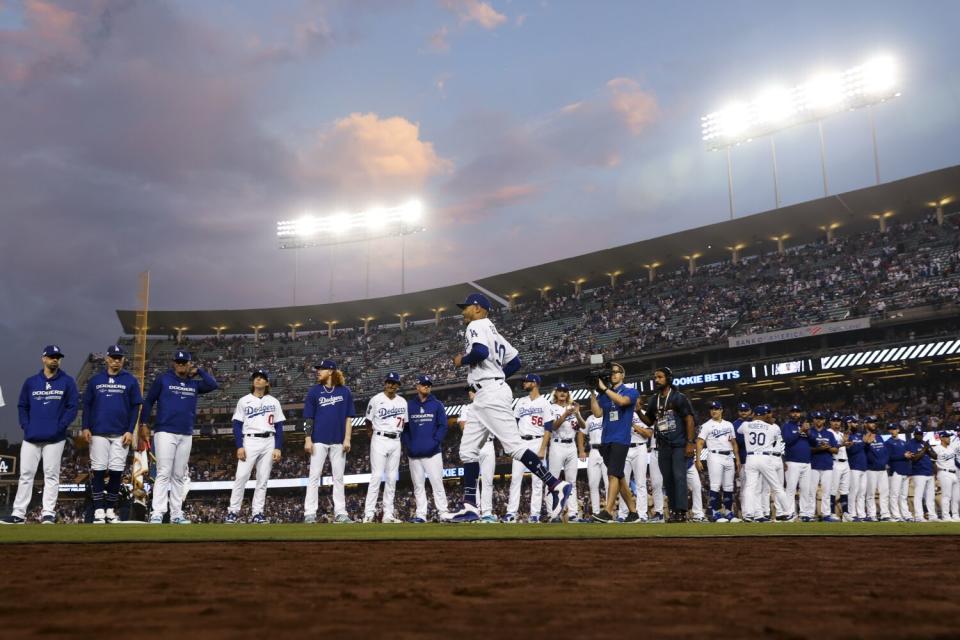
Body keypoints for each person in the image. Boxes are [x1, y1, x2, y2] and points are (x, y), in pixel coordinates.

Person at [444, 293, 572, 523]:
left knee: (513, 447)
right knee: (468, 451)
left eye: (466, 307)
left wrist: (461, 360)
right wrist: (499, 376)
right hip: (486, 393)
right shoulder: (495, 332)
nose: (463, 311)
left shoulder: (476, 325)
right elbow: (515, 362)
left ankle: (555, 484)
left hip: (490, 393)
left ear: (477, 308)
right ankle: (470, 506)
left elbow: (480, 352)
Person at [2, 345, 78, 525]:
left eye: (57, 357)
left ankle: (48, 514)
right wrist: (26, 425)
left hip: (55, 437)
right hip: (31, 436)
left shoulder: (67, 381)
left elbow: (73, 407)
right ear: (43, 358)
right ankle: (18, 513)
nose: (55, 359)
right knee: (26, 474)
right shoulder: (31, 382)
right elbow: (22, 406)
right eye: (51, 356)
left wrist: (61, 426)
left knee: (51, 475)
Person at [142, 349, 218, 524]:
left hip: (186, 433)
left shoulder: (194, 384)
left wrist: (198, 371)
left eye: (185, 362)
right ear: (173, 363)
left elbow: (213, 384)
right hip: (165, 431)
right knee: (163, 473)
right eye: (178, 362)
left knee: (178, 475)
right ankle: (157, 512)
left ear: (189, 364)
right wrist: (144, 423)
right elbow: (148, 401)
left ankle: (176, 513)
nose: (181, 365)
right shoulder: (163, 379)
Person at [81, 345, 143, 524]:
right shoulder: (95, 380)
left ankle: (110, 510)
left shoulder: (130, 380)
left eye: (119, 358)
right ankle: (99, 510)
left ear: (123, 360)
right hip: (98, 432)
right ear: (107, 359)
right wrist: (85, 427)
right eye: (113, 357)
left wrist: (130, 430)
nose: (116, 361)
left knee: (116, 472)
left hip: (120, 433)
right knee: (99, 471)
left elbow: (135, 407)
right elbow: (87, 406)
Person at [224, 369, 284, 524]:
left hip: (269, 441)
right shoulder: (244, 401)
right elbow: (237, 425)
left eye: (262, 378)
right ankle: (233, 512)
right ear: (252, 382)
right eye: (256, 378)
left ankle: (257, 513)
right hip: (249, 440)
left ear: (267, 383)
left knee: (262, 480)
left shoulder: (274, 401)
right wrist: (239, 446)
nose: (258, 379)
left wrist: (278, 447)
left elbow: (279, 427)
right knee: (241, 477)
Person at [636, 367, 695, 523]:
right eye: (655, 377)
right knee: (667, 479)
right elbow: (649, 421)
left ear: (668, 378)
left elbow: (689, 420)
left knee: (679, 477)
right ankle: (674, 511)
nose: (656, 380)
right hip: (663, 445)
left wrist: (690, 443)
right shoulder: (654, 399)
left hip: (678, 444)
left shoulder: (679, 397)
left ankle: (682, 511)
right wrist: (638, 412)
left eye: (660, 377)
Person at [303, 359, 355, 524]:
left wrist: (347, 438)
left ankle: (340, 513)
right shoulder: (314, 392)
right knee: (314, 477)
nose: (318, 371)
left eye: (321, 369)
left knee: (338, 478)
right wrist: (307, 439)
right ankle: (310, 513)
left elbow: (348, 418)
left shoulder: (345, 392)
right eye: (317, 369)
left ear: (331, 371)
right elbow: (308, 418)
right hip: (318, 440)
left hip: (339, 441)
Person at [590, 363, 641, 523]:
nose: (612, 374)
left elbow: (622, 402)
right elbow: (597, 413)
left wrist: (605, 389)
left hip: (621, 439)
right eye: (610, 373)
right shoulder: (604, 395)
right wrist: (592, 391)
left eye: (615, 372)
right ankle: (633, 513)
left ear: (623, 375)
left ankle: (607, 512)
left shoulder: (630, 391)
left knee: (612, 474)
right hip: (606, 440)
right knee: (620, 477)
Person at [507, 373, 554, 522]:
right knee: (515, 478)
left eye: (527, 381)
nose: (524, 383)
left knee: (538, 481)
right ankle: (511, 513)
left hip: (537, 442)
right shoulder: (521, 401)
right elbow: (513, 424)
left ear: (535, 383)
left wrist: (542, 449)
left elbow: (548, 428)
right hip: (521, 442)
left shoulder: (545, 403)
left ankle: (535, 514)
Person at [403, 374, 449, 523]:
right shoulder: (409, 406)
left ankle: (443, 513)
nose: (427, 387)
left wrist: (435, 442)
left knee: (437, 483)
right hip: (414, 454)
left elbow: (443, 426)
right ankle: (421, 514)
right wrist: (409, 445)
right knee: (418, 486)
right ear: (417, 387)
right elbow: (404, 428)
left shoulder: (437, 405)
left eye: (429, 385)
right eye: (424, 384)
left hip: (433, 453)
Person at [363, 372, 408, 523]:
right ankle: (369, 513)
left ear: (397, 385)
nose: (390, 385)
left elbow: (405, 423)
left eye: (393, 383)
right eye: (388, 382)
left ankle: (388, 514)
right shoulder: (376, 399)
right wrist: (373, 437)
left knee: (391, 478)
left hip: (396, 440)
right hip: (380, 438)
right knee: (376, 476)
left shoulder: (402, 401)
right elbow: (368, 422)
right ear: (385, 383)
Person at [737, 405, 792, 522]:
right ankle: (788, 511)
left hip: (750, 458)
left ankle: (748, 514)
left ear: (754, 414)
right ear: (763, 415)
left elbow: (739, 430)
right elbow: (776, 439)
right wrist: (768, 422)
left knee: (750, 487)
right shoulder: (772, 427)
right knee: (777, 487)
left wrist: (752, 421)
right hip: (765, 458)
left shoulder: (745, 425)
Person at [545, 382, 584, 522]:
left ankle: (573, 513)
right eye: (560, 390)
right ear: (555, 393)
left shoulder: (573, 407)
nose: (563, 393)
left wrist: (577, 413)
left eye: (565, 391)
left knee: (571, 481)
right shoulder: (550, 407)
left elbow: (582, 427)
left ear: (568, 393)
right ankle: (552, 513)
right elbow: (553, 427)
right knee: (552, 480)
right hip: (557, 445)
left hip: (571, 446)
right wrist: (565, 414)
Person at [458, 388, 498, 523]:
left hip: (488, 444)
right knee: (472, 482)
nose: (473, 393)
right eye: (471, 392)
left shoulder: (489, 408)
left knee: (488, 481)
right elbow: (463, 427)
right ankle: (474, 511)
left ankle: (487, 513)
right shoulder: (466, 408)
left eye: (475, 391)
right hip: (473, 445)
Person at [695, 400, 739, 522]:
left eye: (716, 408)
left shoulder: (729, 424)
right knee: (715, 485)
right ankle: (715, 513)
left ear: (721, 410)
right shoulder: (706, 425)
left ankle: (729, 513)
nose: (713, 411)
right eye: (712, 409)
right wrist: (698, 459)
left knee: (729, 486)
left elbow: (734, 443)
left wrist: (738, 459)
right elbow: (699, 442)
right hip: (714, 456)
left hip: (729, 456)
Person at [617, 409, 652, 522]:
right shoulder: (620, 412)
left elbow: (648, 434)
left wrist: (632, 424)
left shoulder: (644, 414)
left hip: (640, 447)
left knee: (641, 483)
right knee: (623, 483)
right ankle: (623, 514)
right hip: (624, 448)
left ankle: (641, 514)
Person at [782, 406, 813, 522]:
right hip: (792, 462)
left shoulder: (805, 426)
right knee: (790, 489)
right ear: (790, 413)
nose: (795, 414)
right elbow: (787, 441)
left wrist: (808, 433)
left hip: (806, 462)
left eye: (797, 412)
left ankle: (804, 513)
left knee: (805, 489)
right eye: (793, 412)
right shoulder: (787, 426)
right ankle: (789, 513)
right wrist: (800, 432)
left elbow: (814, 442)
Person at [808, 411, 839, 522]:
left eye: (821, 418)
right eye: (817, 418)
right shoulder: (810, 432)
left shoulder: (829, 434)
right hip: (813, 465)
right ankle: (810, 514)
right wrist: (819, 449)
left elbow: (836, 450)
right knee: (811, 491)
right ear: (813, 420)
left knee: (826, 491)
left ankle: (826, 514)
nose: (819, 420)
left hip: (827, 465)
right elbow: (807, 449)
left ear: (824, 420)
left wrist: (828, 448)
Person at [581, 408, 609, 518]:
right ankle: (596, 513)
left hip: (606, 449)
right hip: (593, 451)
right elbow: (581, 433)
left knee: (608, 484)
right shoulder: (589, 419)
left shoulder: (607, 416)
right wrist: (582, 450)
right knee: (593, 484)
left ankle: (608, 512)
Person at [862, 416, 891, 522]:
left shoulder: (879, 436)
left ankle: (885, 514)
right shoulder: (863, 436)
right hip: (871, 469)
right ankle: (871, 514)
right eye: (870, 422)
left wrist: (884, 462)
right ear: (865, 424)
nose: (873, 424)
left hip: (882, 469)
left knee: (884, 493)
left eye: (874, 422)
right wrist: (865, 443)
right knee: (870, 494)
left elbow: (884, 451)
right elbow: (863, 451)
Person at [905, 426, 936, 522]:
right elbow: (914, 458)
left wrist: (928, 448)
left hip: (929, 473)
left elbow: (935, 456)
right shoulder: (910, 444)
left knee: (930, 497)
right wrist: (924, 449)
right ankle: (919, 516)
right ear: (914, 435)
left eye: (921, 434)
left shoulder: (924, 443)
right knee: (918, 496)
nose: (919, 436)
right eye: (918, 434)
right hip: (918, 473)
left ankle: (932, 516)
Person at [929, 431, 959, 522]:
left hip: (954, 473)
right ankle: (946, 516)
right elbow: (932, 462)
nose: (948, 438)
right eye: (946, 437)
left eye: (949, 437)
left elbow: (955, 461)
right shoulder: (937, 449)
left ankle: (955, 515)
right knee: (946, 496)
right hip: (944, 472)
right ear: (941, 438)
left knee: (956, 496)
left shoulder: (951, 448)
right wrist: (936, 474)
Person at [884, 422, 911, 522]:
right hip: (895, 471)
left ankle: (906, 514)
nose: (892, 431)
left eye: (894, 429)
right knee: (894, 495)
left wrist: (909, 470)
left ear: (898, 430)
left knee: (903, 496)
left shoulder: (903, 442)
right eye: (891, 429)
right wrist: (903, 456)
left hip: (904, 471)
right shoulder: (887, 443)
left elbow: (907, 457)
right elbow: (888, 458)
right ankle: (896, 515)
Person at [827, 413, 851, 520]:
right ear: (830, 422)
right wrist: (843, 443)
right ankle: (831, 513)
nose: (836, 422)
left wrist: (848, 445)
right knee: (833, 490)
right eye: (834, 420)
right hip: (834, 462)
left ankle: (845, 513)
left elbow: (844, 447)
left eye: (838, 420)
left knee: (845, 490)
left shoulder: (842, 434)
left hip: (845, 462)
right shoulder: (828, 433)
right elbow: (831, 447)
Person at [845, 417, 868, 522]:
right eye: (853, 422)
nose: (856, 424)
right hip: (853, 467)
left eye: (856, 422)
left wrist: (864, 443)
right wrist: (863, 443)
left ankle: (861, 514)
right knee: (853, 491)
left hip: (863, 467)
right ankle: (852, 514)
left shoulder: (859, 435)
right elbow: (852, 450)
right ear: (848, 424)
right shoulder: (847, 436)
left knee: (862, 492)